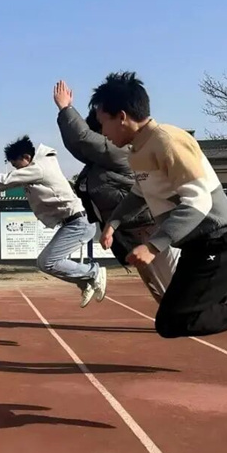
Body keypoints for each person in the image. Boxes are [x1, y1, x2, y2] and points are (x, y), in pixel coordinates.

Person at [93, 72, 227, 357]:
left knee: (177, 321)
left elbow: (198, 200)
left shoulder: (168, 141)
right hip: (197, 247)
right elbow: (140, 192)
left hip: (220, 242)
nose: (103, 132)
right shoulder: (139, 150)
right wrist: (114, 222)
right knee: (171, 319)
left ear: (122, 117)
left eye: (103, 123)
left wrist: (153, 246)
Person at [53, 79, 179, 304]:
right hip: (128, 234)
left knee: (178, 286)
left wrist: (66, 109)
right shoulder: (98, 162)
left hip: (148, 230)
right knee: (160, 290)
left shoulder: (120, 153)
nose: (105, 133)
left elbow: (83, 139)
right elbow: (79, 145)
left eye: (105, 125)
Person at [0, 135, 107, 307]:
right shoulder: (32, 169)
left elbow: (7, 179)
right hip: (72, 223)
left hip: (79, 223)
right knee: (45, 262)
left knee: (47, 261)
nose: (16, 170)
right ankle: (85, 281)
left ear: (26, 157)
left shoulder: (40, 168)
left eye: (16, 166)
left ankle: (94, 272)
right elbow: (7, 184)